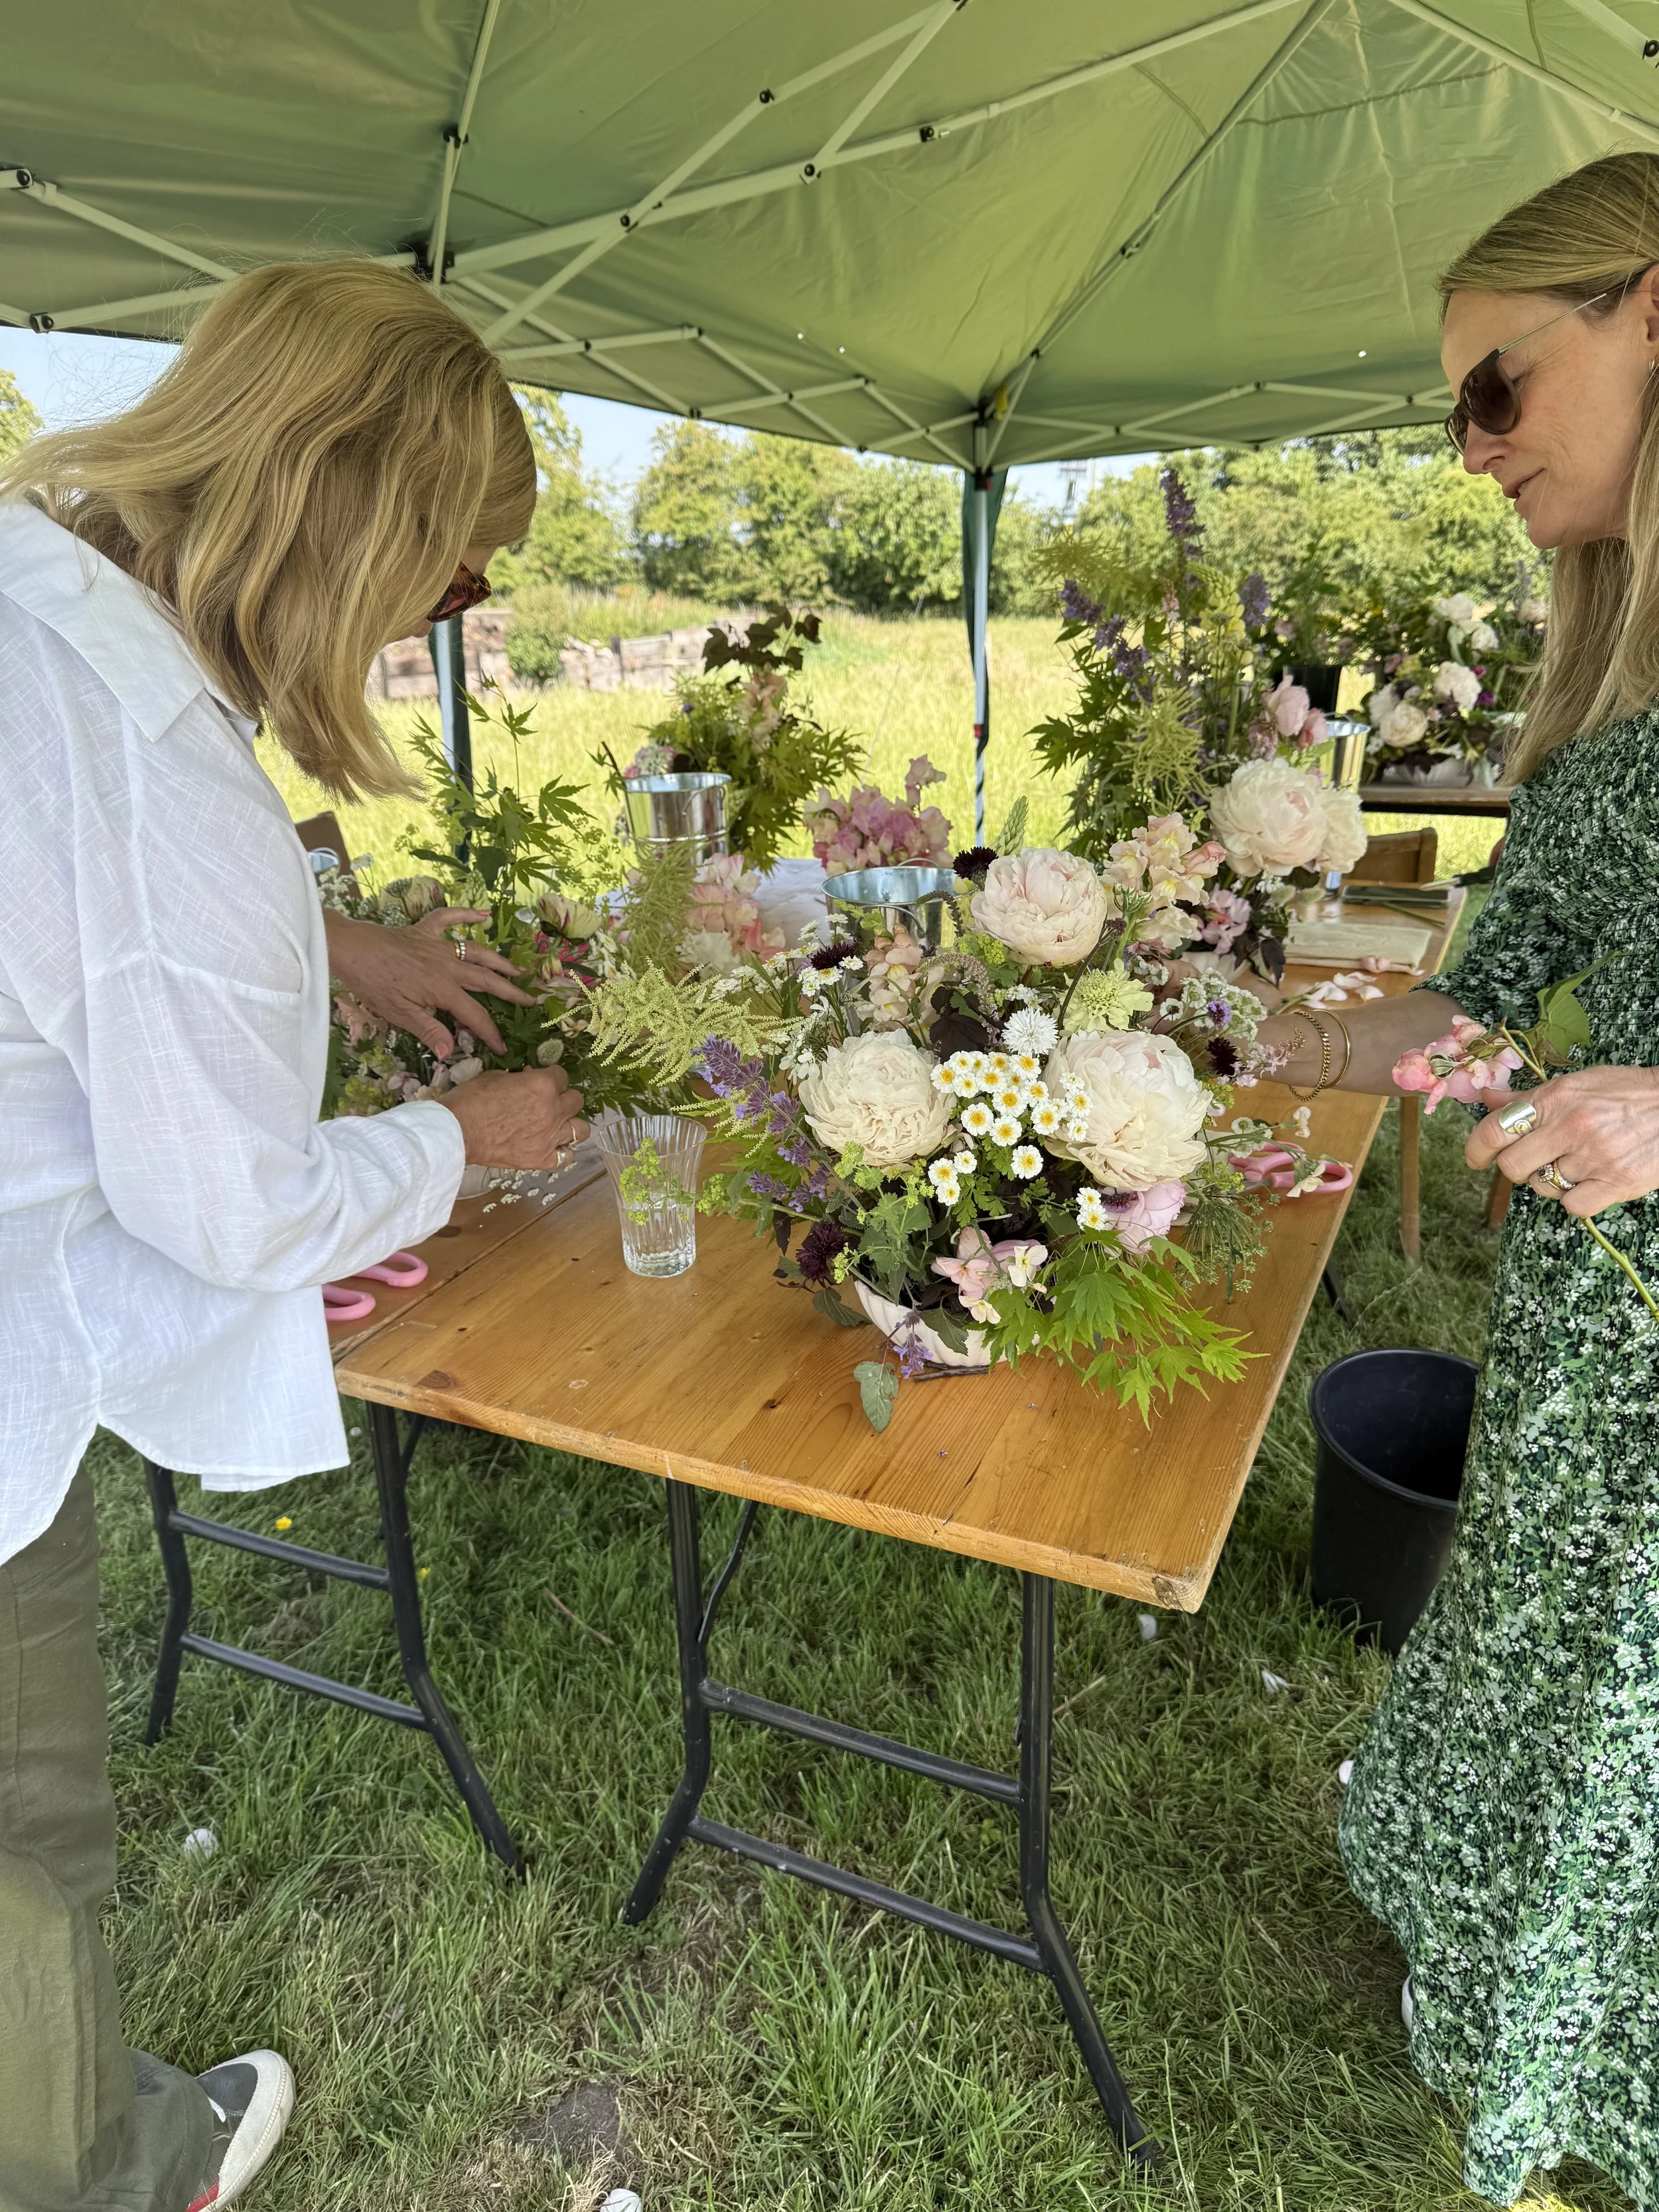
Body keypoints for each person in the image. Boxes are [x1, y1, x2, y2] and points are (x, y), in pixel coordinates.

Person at [0, 262, 586, 2212]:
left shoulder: (29, 591)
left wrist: (338, 943)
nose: (464, 611)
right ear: (357, 512)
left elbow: (53, 905)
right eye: (460, 559)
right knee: (22, 1841)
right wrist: (462, 1138)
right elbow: (235, 1204)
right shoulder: (174, 772)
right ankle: (97, 2169)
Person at [1252, 153, 1659, 2207]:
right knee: (1561, 1690)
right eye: (1451, 417)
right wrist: (1246, 1014)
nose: (1471, 450)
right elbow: (1480, 1017)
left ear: (1650, 310)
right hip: (1598, 1352)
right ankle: (1528, 2034)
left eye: (1494, 389)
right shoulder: (1615, 706)